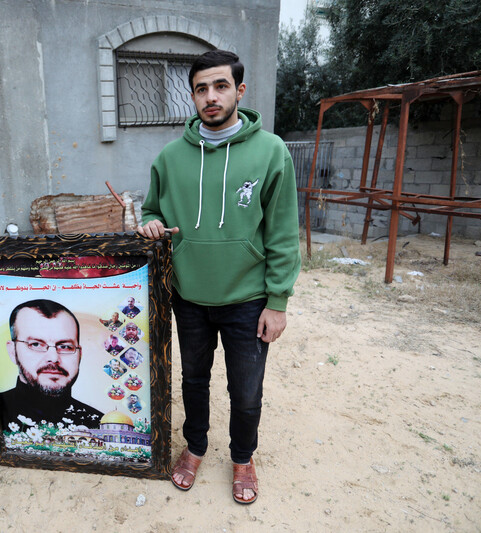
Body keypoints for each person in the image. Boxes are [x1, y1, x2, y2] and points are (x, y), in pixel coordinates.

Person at [138, 50, 300, 504]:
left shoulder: (272, 151)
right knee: (193, 379)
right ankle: (195, 447)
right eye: (201, 88)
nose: (211, 96)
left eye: (221, 86)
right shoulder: (170, 158)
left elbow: (284, 230)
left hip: (248, 297)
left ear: (239, 91)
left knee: (246, 389)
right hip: (188, 296)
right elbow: (152, 209)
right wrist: (149, 222)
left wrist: (278, 301)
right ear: (192, 96)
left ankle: (243, 458)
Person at [0, 299, 103, 429]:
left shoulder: (100, 425)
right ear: (13, 352)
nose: (53, 358)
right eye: (35, 344)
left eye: (65, 346)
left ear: (79, 354)